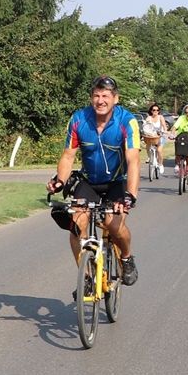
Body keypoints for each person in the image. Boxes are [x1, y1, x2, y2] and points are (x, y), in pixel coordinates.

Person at [46, 76, 139, 293]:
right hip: (88, 181)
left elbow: (133, 160)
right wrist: (59, 181)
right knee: (76, 225)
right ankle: (86, 277)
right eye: (96, 95)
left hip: (117, 182)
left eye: (105, 96)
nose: (100, 100)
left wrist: (130, 195)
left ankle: (126, 258)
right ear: (91, 98)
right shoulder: (79, 119)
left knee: (114, 226)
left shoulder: (127, 121)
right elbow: (68, 156)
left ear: (115, 98)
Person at [141, 103, 168, 174]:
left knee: (159, 150)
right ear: (151, 111)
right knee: (148, 146)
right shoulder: (149, 118)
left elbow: (164, 126)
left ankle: (160, 164)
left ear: (159, 111)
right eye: (154, 110)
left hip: (160, 135)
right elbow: (146, 126)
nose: (155, 111)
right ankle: (150, 157)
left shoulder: (160, 117)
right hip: (151, 136)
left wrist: (165, 131)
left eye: (157, 110)